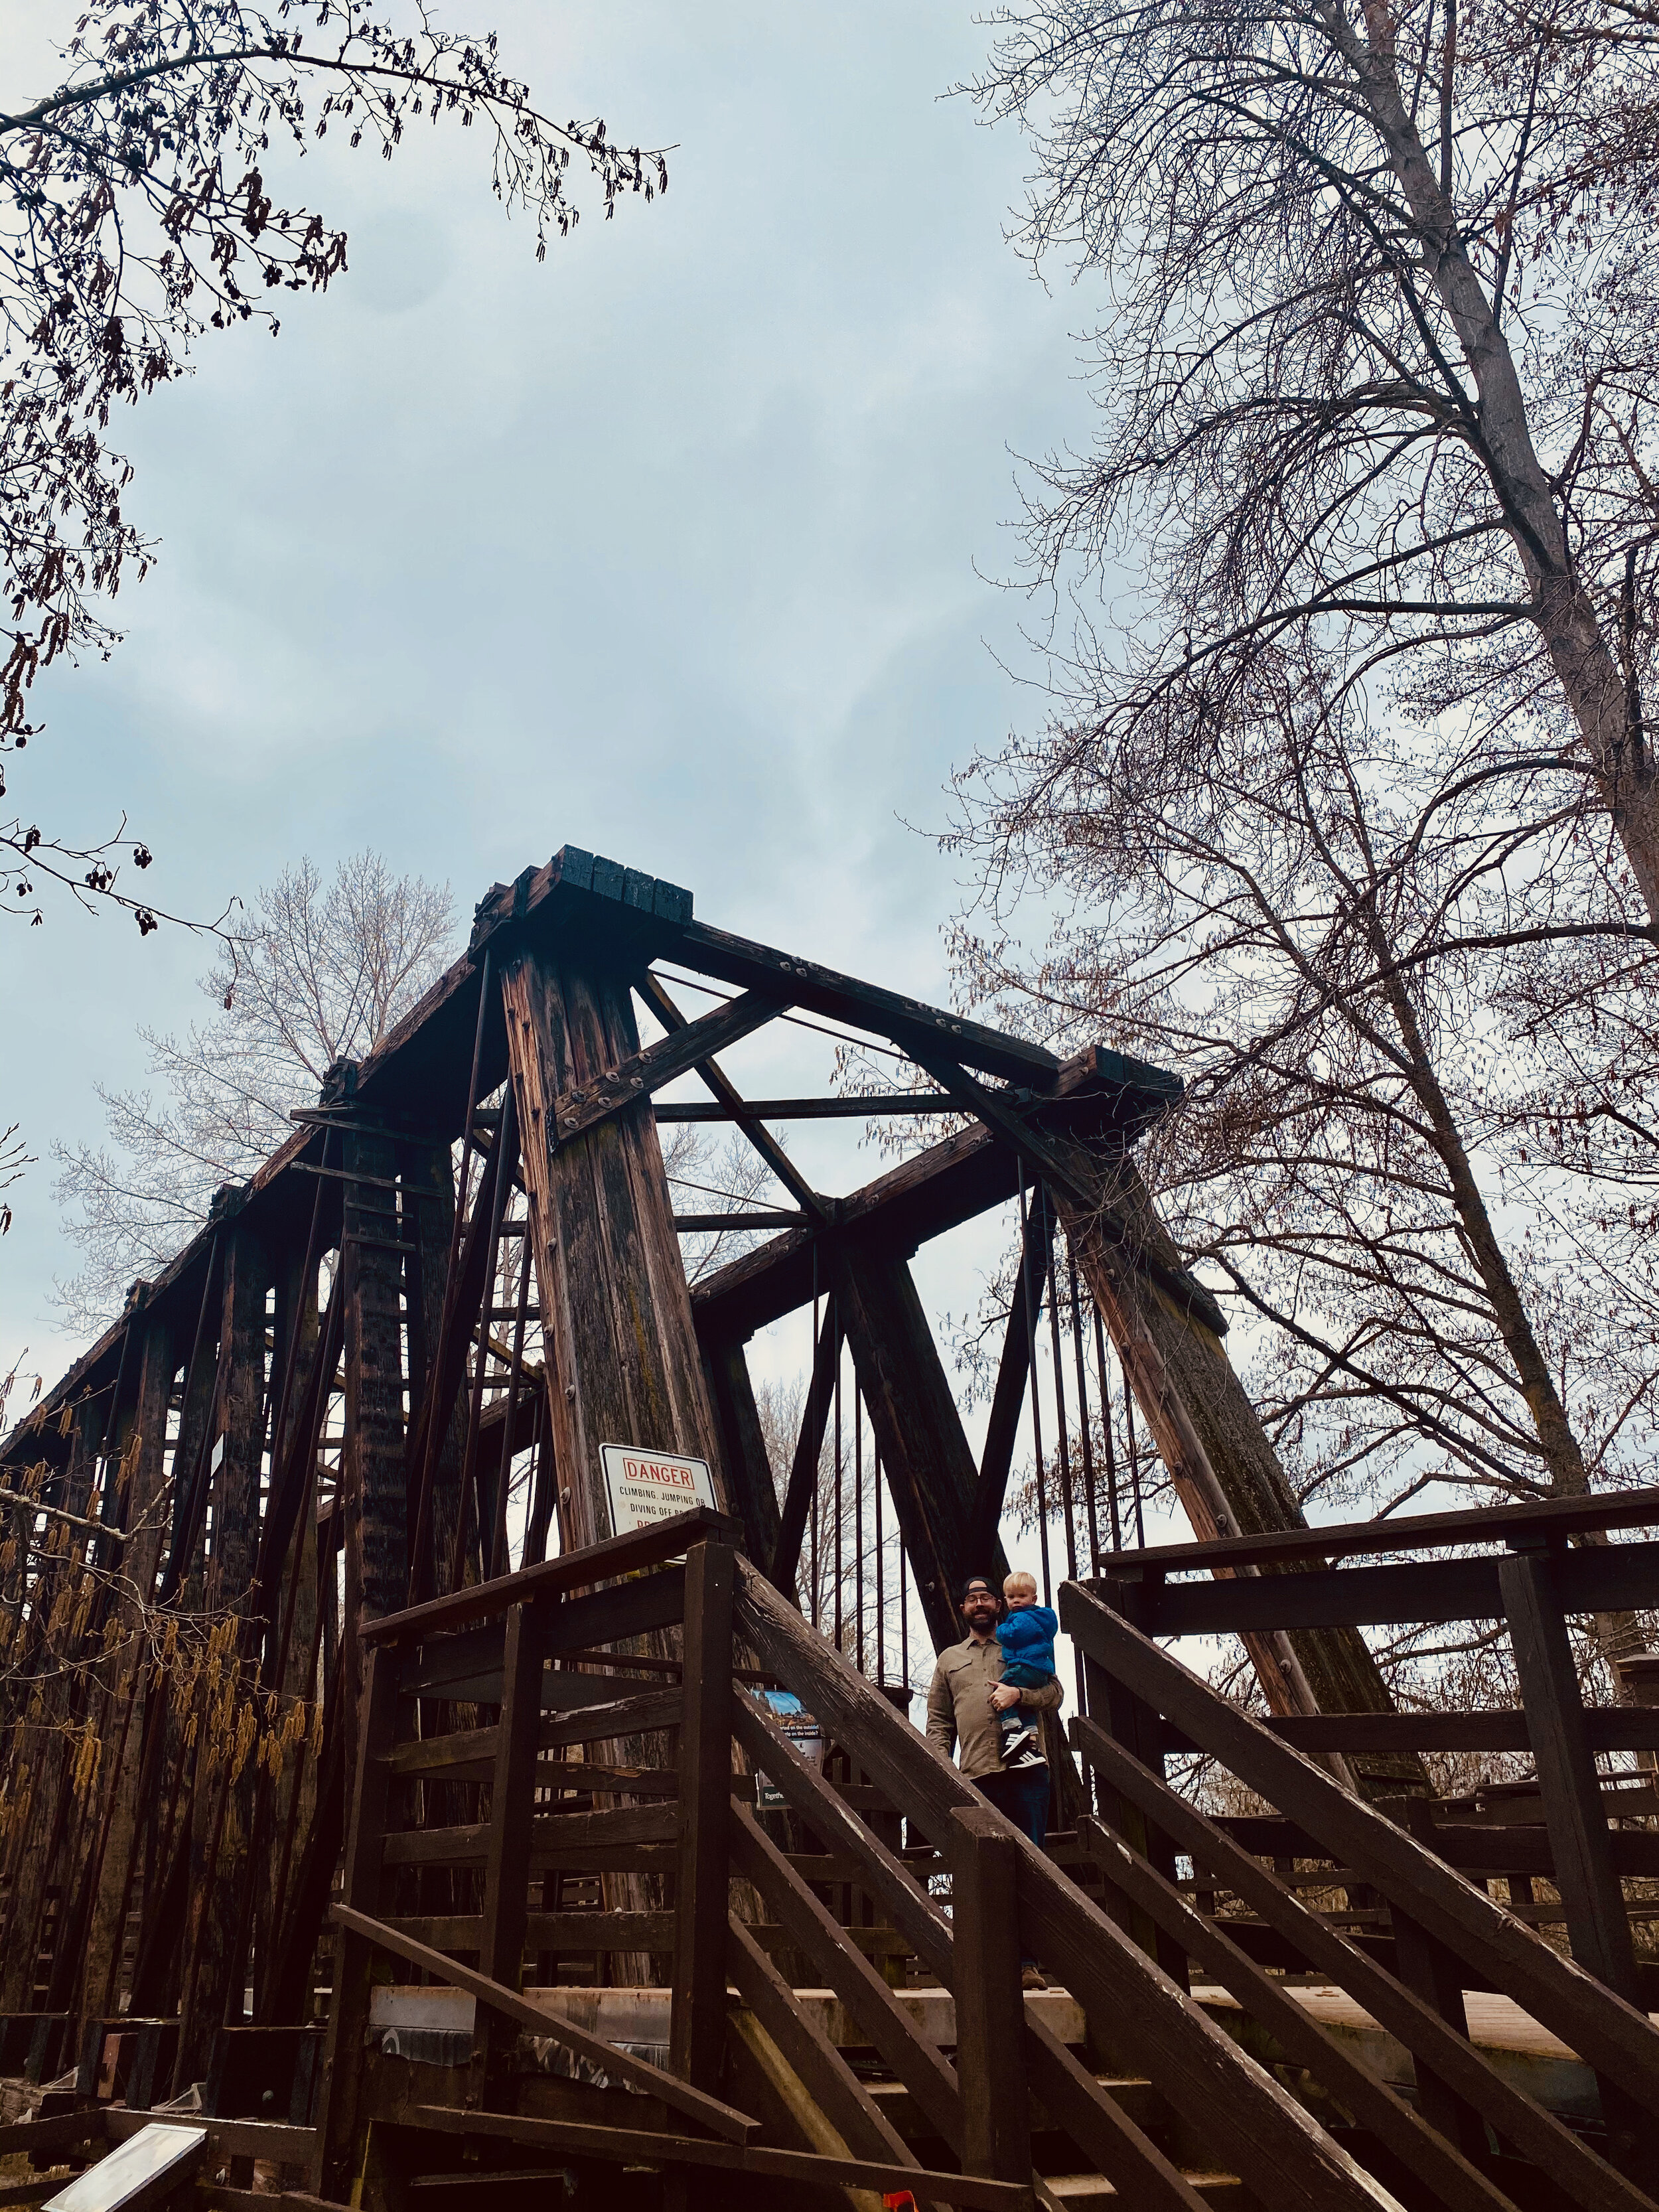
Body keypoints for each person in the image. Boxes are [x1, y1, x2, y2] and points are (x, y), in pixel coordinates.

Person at [924, 1572, 1062, 1988]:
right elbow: (938, 1721)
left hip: (1027, 1772)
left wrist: (1020, 1696)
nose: (980, 1604)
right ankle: (984, 1963)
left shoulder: (1020, 1641)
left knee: (1032, 1865)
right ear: (964, 1609)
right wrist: (939, 1766)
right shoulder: (949, 1659)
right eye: (973, 1599)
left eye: (987, 1598)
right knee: (981, 1871)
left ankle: (1026, 1965)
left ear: (999, 1605)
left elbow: (1054, 1692)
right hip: (977, 1777)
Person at [994, 1570, 1058, 1763]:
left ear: (1034, 1598)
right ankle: (1030, 1741)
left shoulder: (1022, 1618)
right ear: (1005, 1599)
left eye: (1021, 1596)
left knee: (1004, 1685)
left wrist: (1001, 1629)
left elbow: (1012, 1635)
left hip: (1027, 1665)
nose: (1016, 1601)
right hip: (1039, 1670)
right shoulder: (1041, 1618)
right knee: (1026, 1708)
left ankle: (1013, 1728)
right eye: (1012, 1597)